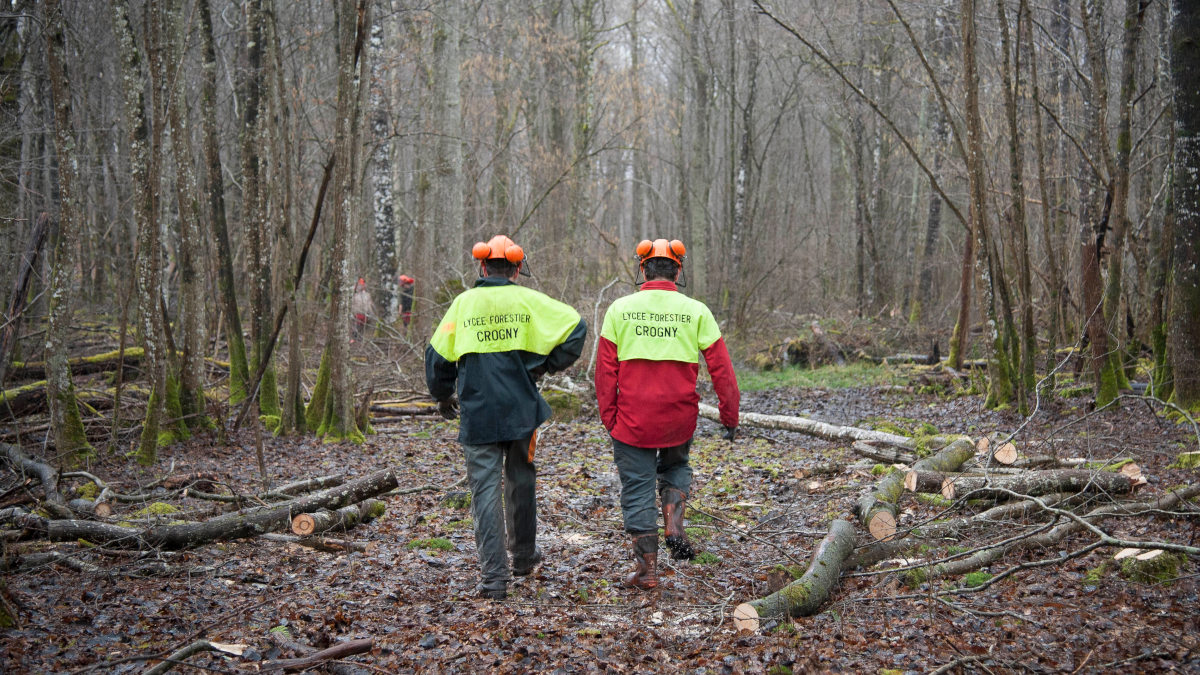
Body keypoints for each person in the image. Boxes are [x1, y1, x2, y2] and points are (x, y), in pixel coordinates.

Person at [425, 235, 587, 600]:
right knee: (521, 480)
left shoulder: (464, 304)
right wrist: (544, 365)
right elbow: (577, 327)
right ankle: (525, 557)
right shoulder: (528, 301)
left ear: (483, 267)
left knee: (484, 491)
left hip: (478, 410)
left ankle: (494, 579)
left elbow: (436, 356)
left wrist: (442, 394)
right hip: (521, 411)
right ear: (516, 269)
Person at [594, 238, 739, 590]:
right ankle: (674, 523)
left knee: (638, 488)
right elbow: (722, 369)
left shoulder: (619, 309)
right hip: (679, 417)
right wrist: (729, 416)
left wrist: (610, 418)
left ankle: (648, 572)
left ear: (643, 269)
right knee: (675, 468)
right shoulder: (697, 311)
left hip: (632, 420)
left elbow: (604, 372)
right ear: (678, 270)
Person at [350, 277, 374, 342]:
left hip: (364, 314)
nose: (361, 286)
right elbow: (352, 305)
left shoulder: (367, 295)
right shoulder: (354, 295)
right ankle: (355, 338)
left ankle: (359, 339)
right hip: (357, 314)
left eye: (362, 285)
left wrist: (371, 314)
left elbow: (369, 305)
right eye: (359, 285)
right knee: (356, 327)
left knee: (362, 328)